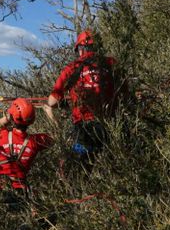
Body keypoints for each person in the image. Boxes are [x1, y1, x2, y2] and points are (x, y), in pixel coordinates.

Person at [45, 30, 121, 165]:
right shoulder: (111, 63)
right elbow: (124, 92)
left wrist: (58, 105)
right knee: (111, 165)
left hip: (84, 127)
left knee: (80, 168)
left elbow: (52, 101)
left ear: (80, 50)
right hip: (111, 125)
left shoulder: (72, 68)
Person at [0, 98, 53, 209]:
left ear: (13, 117)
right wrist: (49, 111)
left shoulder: (1, 135)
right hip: (20, 192)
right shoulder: (35, 141)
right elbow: (55, 136)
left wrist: (9, 115)